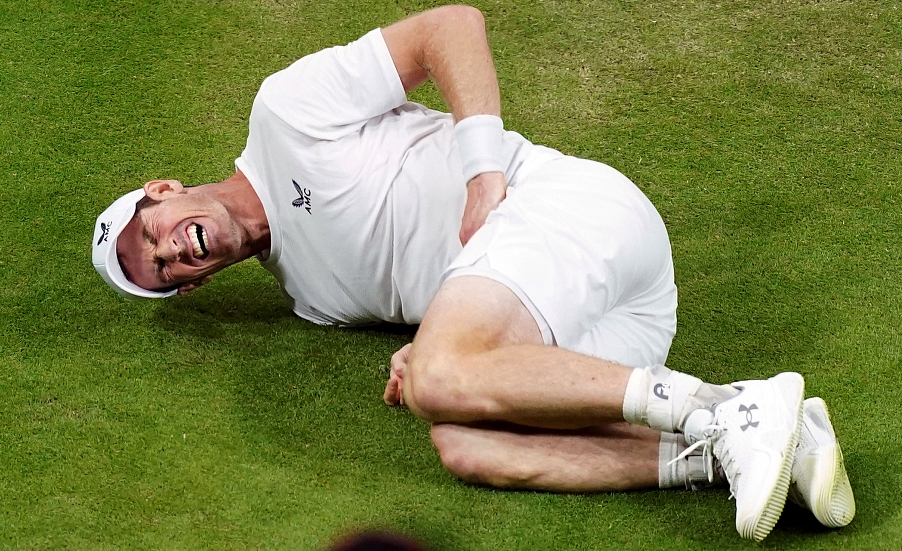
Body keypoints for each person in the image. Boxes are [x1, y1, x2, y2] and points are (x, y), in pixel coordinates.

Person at [91, 5, 854, 540]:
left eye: (152, 233)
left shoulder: (283, 113)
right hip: (610, 321)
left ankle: (709, 411)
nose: (171, 251)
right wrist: (425, 341)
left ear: (165, 190)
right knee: (462, 443)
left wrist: (482, 173)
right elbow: (456, 300)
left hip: (571, 213)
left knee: (436, 379)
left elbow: (450, 26)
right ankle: (732, 436)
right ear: (193, 286)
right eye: (163, 270)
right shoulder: (311, 301)